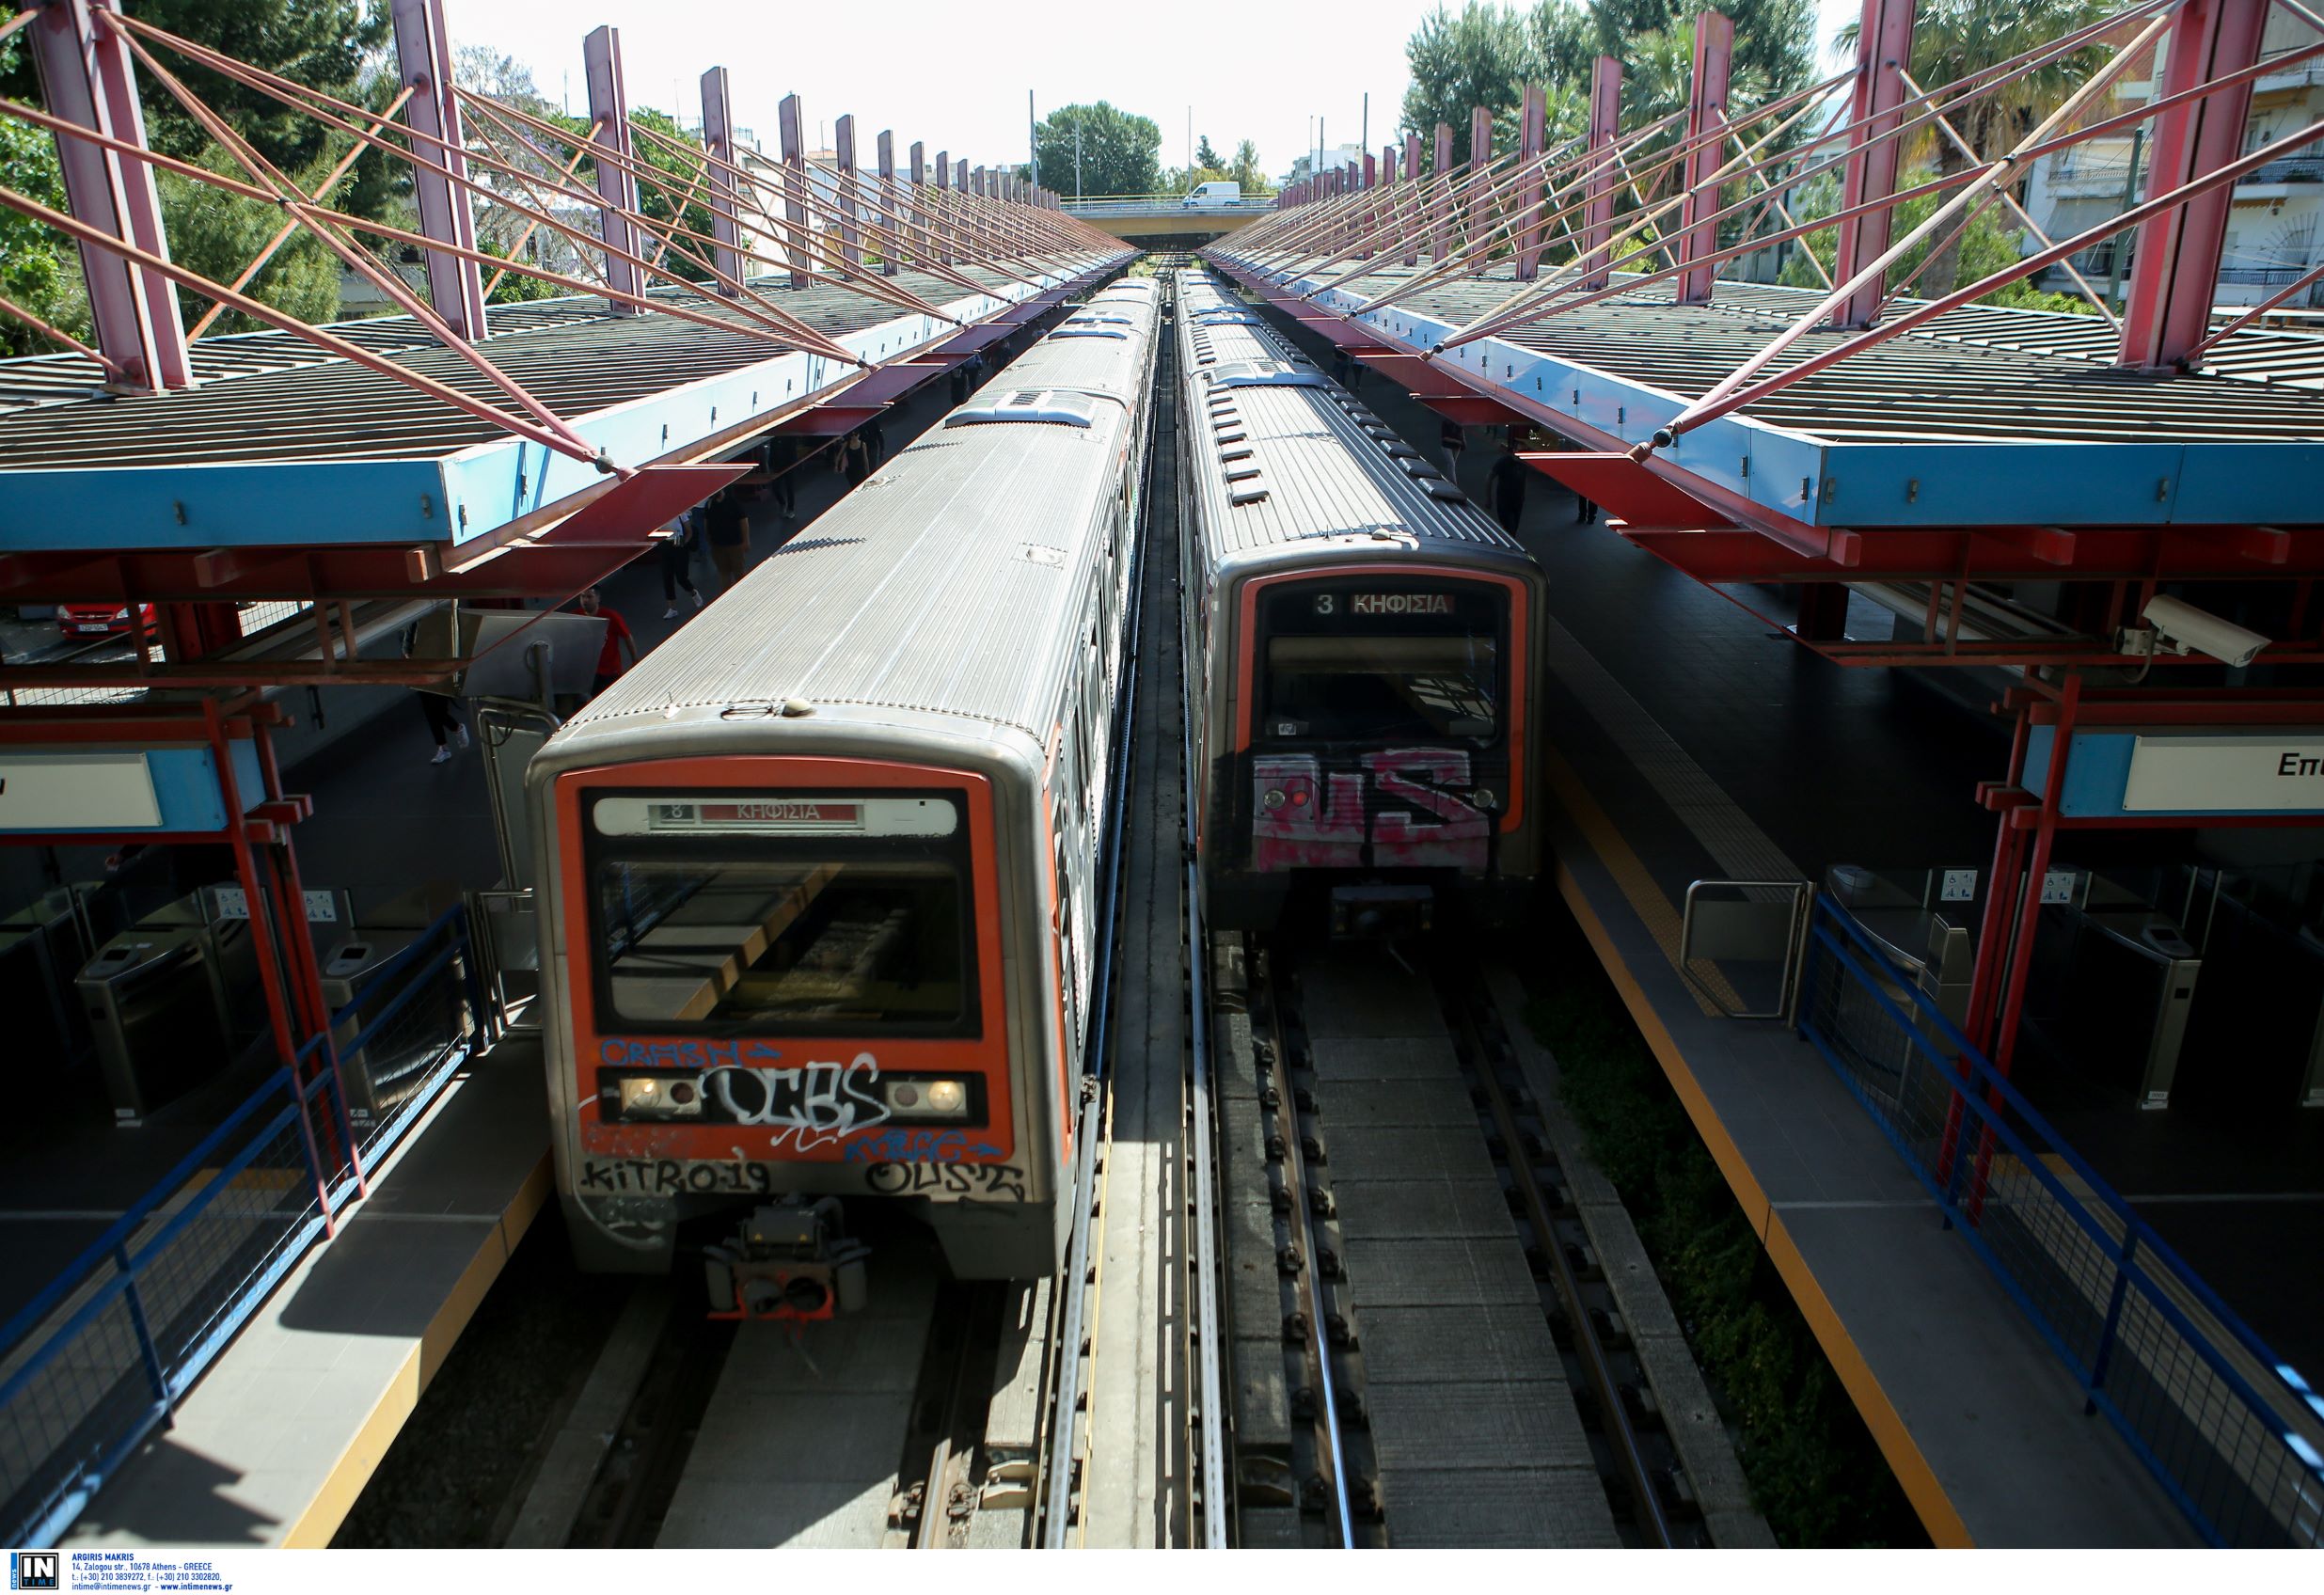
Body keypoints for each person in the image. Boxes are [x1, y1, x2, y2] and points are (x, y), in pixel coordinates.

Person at [704, 479, 763, 591]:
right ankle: (727, 595)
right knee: (724, 573)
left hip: (735, 544)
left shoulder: (732, 502)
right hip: (718, 546)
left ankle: (741, 593)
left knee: (739, 573)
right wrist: (709, 540)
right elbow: (706, 523)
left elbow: (743, 520)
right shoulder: (709, 504)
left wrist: (746, 541)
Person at [577, 587, 635, 700]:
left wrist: (635, 660)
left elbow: (627, 637)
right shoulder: (575, 616)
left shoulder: (610, 616)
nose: (585, 600)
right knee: (595, 697)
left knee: (612, 698)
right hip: (590, 671)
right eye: (582, 596)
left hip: (611, 670)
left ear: (598, 598)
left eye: (589, 597)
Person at [659, 511, 703, 620]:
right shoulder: (657, 514)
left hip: (679, 547)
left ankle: (693, 592)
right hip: (665, 545)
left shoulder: (679, 513)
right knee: (667, 578)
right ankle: (672, 609)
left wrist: (683, 542)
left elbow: (689, 531)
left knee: (681, 577)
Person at [1486, 442, 1529, 535]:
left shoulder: (1524, 463)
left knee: (1514, 528)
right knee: (1510, 528)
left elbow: (1524, 479)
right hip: (1505, 500)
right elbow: (1490, 477)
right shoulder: (1504, 462)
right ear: (1514, 450)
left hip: (1518, 501)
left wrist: (1523, 495)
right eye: (1520, 451)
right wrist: (1488, 498)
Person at [1439, 418, 1465, 485]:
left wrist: (1463, 442)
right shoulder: (1445, 423)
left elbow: (1462, 434)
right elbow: (1444, 438)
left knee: (1452, 464)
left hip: (1456, 446)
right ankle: (1454, 483)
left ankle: (1449, 480)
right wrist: (1457, 441)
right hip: (1447, 446)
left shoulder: (1459, 423)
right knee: (1452, 463)